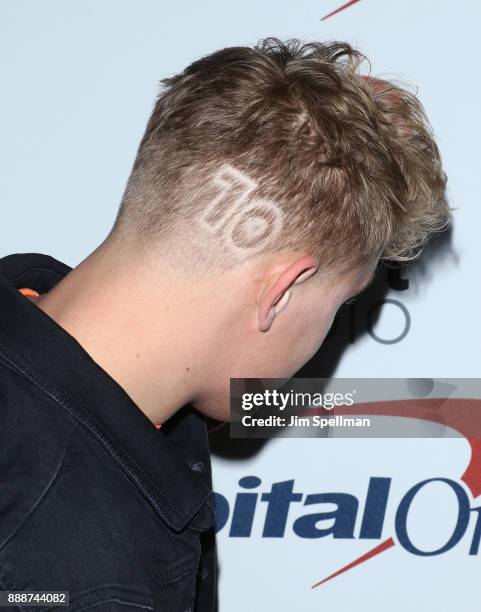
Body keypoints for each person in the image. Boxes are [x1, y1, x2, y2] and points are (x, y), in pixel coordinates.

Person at [0, 37, 450, 611]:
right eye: (341, 306)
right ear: (281, 291)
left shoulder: (132, 423)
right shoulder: (78, 564)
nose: (326, 339)